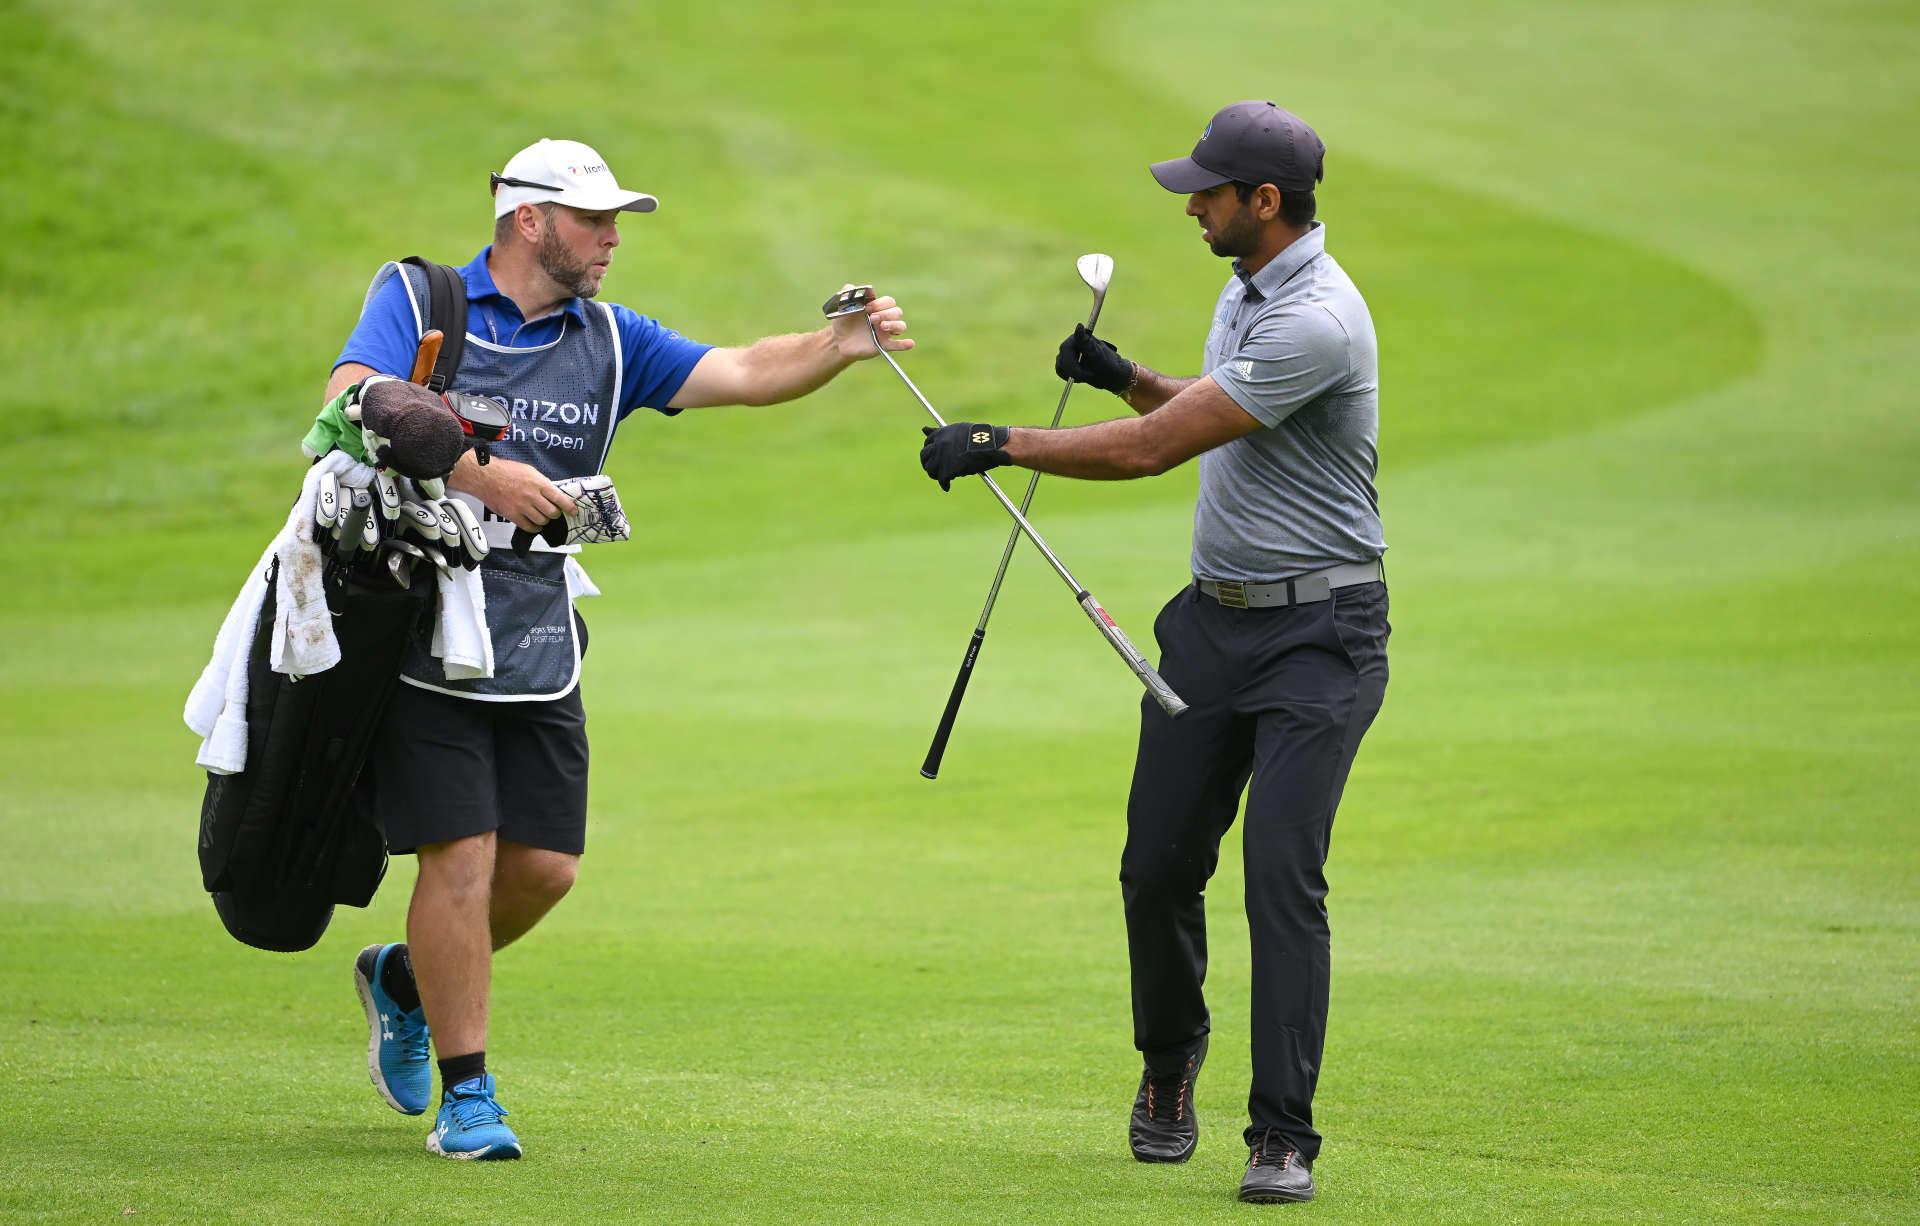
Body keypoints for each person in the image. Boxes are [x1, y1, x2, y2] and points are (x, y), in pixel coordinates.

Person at [330, 137, 911, 1161]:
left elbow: (731, 370)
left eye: (615, 221)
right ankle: (469, 1100)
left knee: (545, 867)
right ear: (526, 220)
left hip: (538, 623)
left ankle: (407, 978)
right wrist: (477, 471)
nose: (609, 238)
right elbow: (355, 395)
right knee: (458, 851)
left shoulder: (610, 336)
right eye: (592, 219)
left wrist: (836, 347)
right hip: (420, 615)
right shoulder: (424, 301)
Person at [918, 101, 1387, 1204]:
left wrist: (1000, 440)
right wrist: (1126, 373)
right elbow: (1215, 410)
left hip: (1320, 634)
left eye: (1209, 192)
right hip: (1213, 626)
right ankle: (1170, 1061)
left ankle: (1282, 1135)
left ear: (1264, 204)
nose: (1192, 204)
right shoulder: (1252, 287)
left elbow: (1155, 453)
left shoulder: (1319, 315)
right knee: (1158, 866)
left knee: (1282, 871)